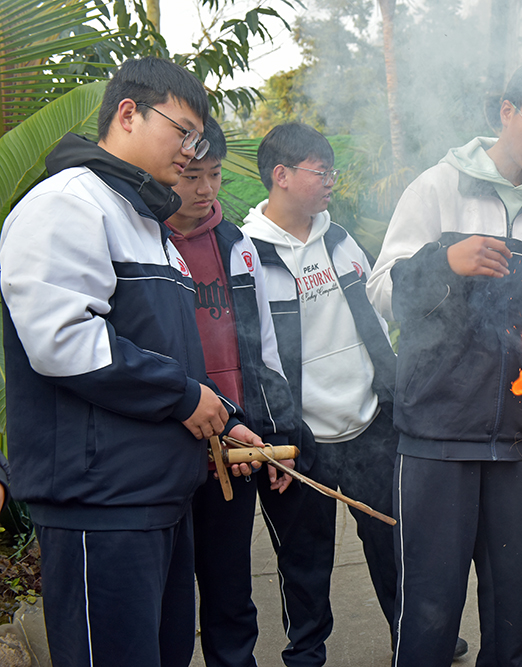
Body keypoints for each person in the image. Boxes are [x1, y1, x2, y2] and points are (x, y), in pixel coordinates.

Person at [0, 57, 262, 666]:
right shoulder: (67, 204)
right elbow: (62, 339)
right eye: (184, 131)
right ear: (127, 113)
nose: (191, 151)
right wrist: (183, 397)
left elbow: (169, 356)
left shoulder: (148, 225)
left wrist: (220, 414)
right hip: (102, 504)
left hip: (157, 498)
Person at [366, 59, 522, 667]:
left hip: (520, 445)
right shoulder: (438, 188)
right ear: (506, 112)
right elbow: (381, 290)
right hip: (438, 433)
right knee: (430, 610)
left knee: (516, 612)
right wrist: (446, 262)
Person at [241, 123, 400, 666]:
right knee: (304, 561)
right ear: (280, 176)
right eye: (321, 171)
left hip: (369, 425)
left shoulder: (339, 237)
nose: (332, 180)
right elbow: (253, 356)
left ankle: (414, 639)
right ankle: (306, 653)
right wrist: (278, 432)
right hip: (302, 438)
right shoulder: (249, 255)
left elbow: (375, 318)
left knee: (393, 545)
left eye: (332, 169)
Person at [165, 117, 300, 667]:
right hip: (171, 442)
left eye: (214, 175)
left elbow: (264, 349)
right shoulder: (144, 240)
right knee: (169, 596)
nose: (205, 190)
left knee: (230, 588)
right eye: (191, 176)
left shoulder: (237, 243)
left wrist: (273, 432)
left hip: (236, 442)